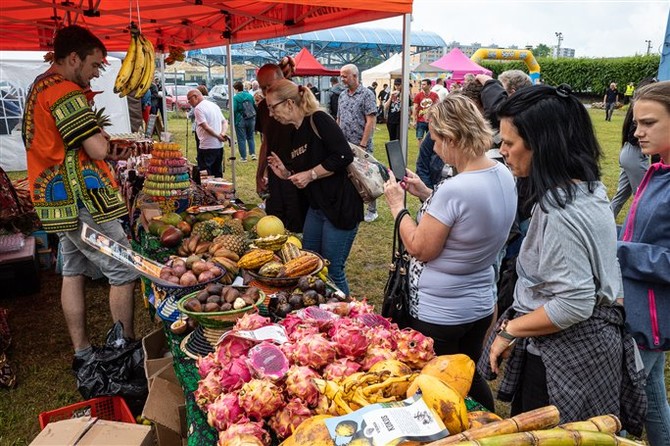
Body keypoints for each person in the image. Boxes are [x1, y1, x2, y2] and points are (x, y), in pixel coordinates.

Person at [484, 84, 646, 434]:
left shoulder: (559, 210)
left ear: (541, 146)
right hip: (592, 353)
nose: (503, 150)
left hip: (564, 360)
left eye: (509, 143)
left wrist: (509, 331)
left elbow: (574, 304)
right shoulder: (587, 187)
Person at [384, 95, 517, 411]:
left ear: (452, 138)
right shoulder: (501, 173)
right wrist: (427, 194)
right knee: (467, 373)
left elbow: (420, 248)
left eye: (435, 140)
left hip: (441, 311)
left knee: (440, 387)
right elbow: (465, 220)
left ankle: (475, 426)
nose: (433, 147)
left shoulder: (455, 189)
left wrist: (397, 207)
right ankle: (485, 420)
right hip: (481, 302)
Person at [21, 25, 139, 362]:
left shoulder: (39, 87)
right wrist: (105, 146)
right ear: (74, 58)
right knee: (123, 269)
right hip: (83, 201)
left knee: (71, 271)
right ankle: (123, 350)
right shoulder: (64, 91)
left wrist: (102, 146)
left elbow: (66, 144)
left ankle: (83, 350)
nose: (96, 73)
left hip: (57, 201)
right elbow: (97, 149)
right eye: (94, 65)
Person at [265, 79, 363, 295]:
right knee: (308, 262)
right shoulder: (295, 131)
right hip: (317, 209)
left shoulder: (319, 120)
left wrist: (310, 175)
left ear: (290, 103)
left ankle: (346, 315)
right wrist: (286, 173)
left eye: (272, 107)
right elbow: (305, 171)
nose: (271, 114)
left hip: (340, 207)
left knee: (332, 269)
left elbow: (343, 155)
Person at [617, 80, 670, 446]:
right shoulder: (658, 170)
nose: (638, 133)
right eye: (637, 124)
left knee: (617, 409)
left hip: (651, 319)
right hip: (641, 312)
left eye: (648, 123)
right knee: (653, 399)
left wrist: (619, 250)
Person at [255, 64, 308, 233]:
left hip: (298, 173)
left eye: (268, 86)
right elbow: (266, 141)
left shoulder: (299, 102)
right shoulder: (264, 107)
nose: (265, 92)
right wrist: (259, 173)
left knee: (297, 222)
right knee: (275, 219)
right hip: (275, 172)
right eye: (262, 88)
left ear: (282, 80)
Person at [337, 64, 378, 223]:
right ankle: (351, 206)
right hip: (344, 144)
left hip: (361, 145)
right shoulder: (342, 95)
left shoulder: (367, 94)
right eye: (341, 76)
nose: (342, 78)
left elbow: (370, 121)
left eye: (345, 76)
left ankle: (372, 210)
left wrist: (362, 144)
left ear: (355, 76)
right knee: (347, 176)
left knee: (366, 177)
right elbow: (339, 119)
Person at [609, 105, 649, 218]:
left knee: (621, 195)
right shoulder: (641, 112)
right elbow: (633, 137)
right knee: (644, 196)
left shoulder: (635, 110)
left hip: (627, 153)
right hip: (634, 155)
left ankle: (605, 222)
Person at [187, 89, 228, 178]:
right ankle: (218, 189)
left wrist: (219, 136)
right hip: (218, 146)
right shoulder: (214, 105)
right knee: (217, 172)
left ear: (195, 96)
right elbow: (224, 121)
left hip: (207, 145)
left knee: (205, 174)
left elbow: (205, 126)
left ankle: (208, 191)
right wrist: (222, 134)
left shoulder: (198, 108)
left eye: (189, 99)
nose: (189, 102)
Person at [232, 80, 257, 162]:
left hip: (240, 119)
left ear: (236, 89)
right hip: (251, 119)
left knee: (241, 139)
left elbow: (234, 109)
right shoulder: (249, 95)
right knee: (250, 137)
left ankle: (243, 157)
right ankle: (253, 154)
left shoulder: (235, 97)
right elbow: (254, 105)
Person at [412, 79, 439, 143]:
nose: (422, 86)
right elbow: (415, 108)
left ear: (429, 85)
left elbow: (438, 107)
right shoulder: (418, 95)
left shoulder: (435, 95)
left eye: (424, 84)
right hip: (420, 121)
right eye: (421, 84)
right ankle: (421, 153)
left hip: (431, 121)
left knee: (431, 139)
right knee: (420, 138)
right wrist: (414, 120)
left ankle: (430, 153)